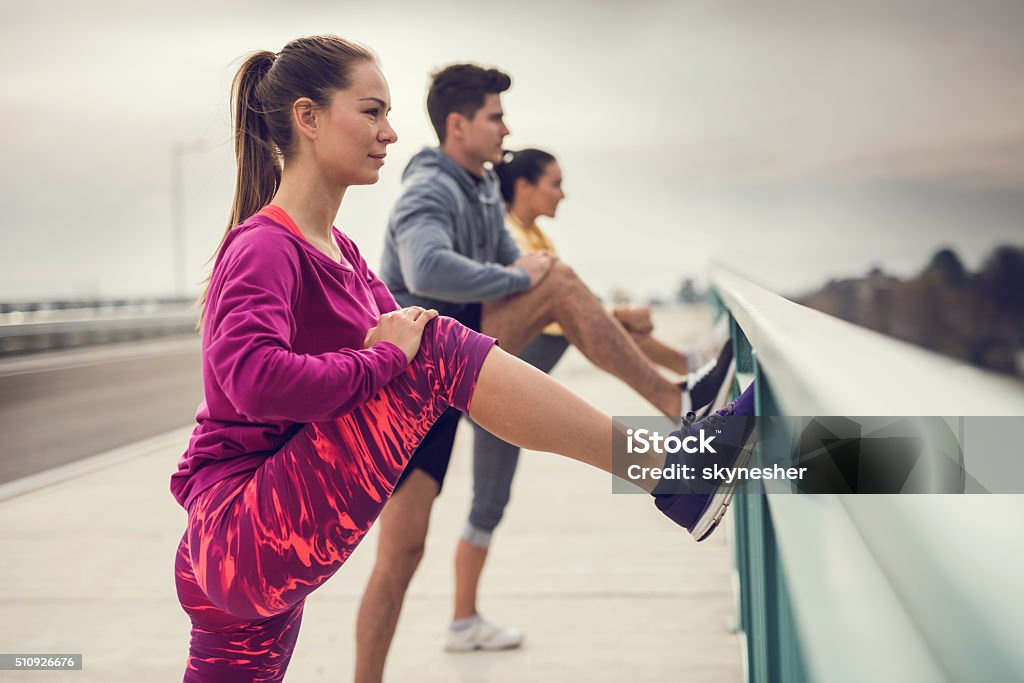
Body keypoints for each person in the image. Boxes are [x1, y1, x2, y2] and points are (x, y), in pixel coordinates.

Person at [170, 35, 754, 682]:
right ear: (307, 118)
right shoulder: (262, 247)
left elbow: (401, 345)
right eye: (371, 111)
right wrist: (381, 360)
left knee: (428, 345)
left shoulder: (343, 252)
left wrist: (397, 351)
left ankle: (681, 462)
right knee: (433, 347)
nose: (389, 132)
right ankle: (676, 468)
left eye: (387, 114)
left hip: (249, 544)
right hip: (242, 533)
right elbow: (253, 382)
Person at [357, 64, 737, 677]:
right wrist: (518, 279)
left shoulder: (481, 188)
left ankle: (681, 408)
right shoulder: (429, 188)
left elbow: (527, 269)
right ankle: (681, 405)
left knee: (553, 281)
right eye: (495, 116)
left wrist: (525, 277)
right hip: (414, 375)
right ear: (458, 125)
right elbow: (427, 270)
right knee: (401, 554)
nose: (506, 128)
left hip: (460, 356)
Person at [444, 147, 736, 652]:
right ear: (525, 187)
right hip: (491, 377)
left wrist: (614, 318)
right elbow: (570, 319)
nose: (562, 193)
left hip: (512, 375)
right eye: (554, 183)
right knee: (487, 502)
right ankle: (683, 389)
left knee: (490, 502)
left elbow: (578, 318)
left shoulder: (535, 238)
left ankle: (688, 378)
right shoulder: (512, 240)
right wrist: (615, 319)